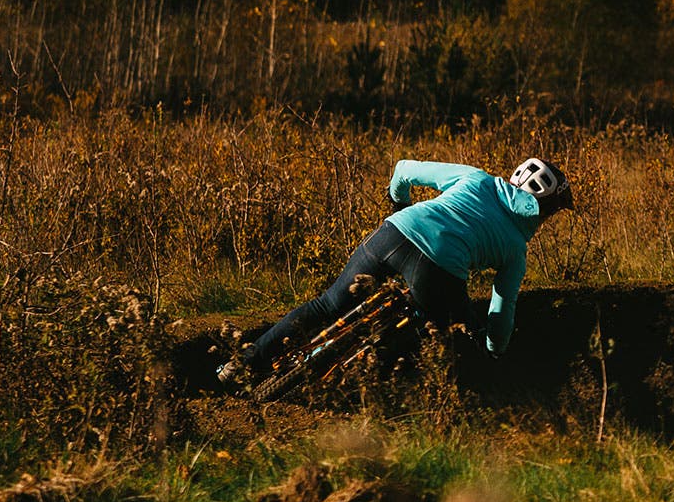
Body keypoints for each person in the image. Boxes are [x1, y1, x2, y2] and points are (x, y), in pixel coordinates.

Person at [219, 156, 572, 384]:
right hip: (439, 272)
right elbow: (502, 307)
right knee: (431, 334)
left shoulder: (475, 178)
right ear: (544, 210)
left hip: (396, 232)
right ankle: (371, 388)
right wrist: (494, 347)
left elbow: (403, 169)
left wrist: (399, 204)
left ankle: (242, 364)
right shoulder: (516, 249)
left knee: (326, 306)